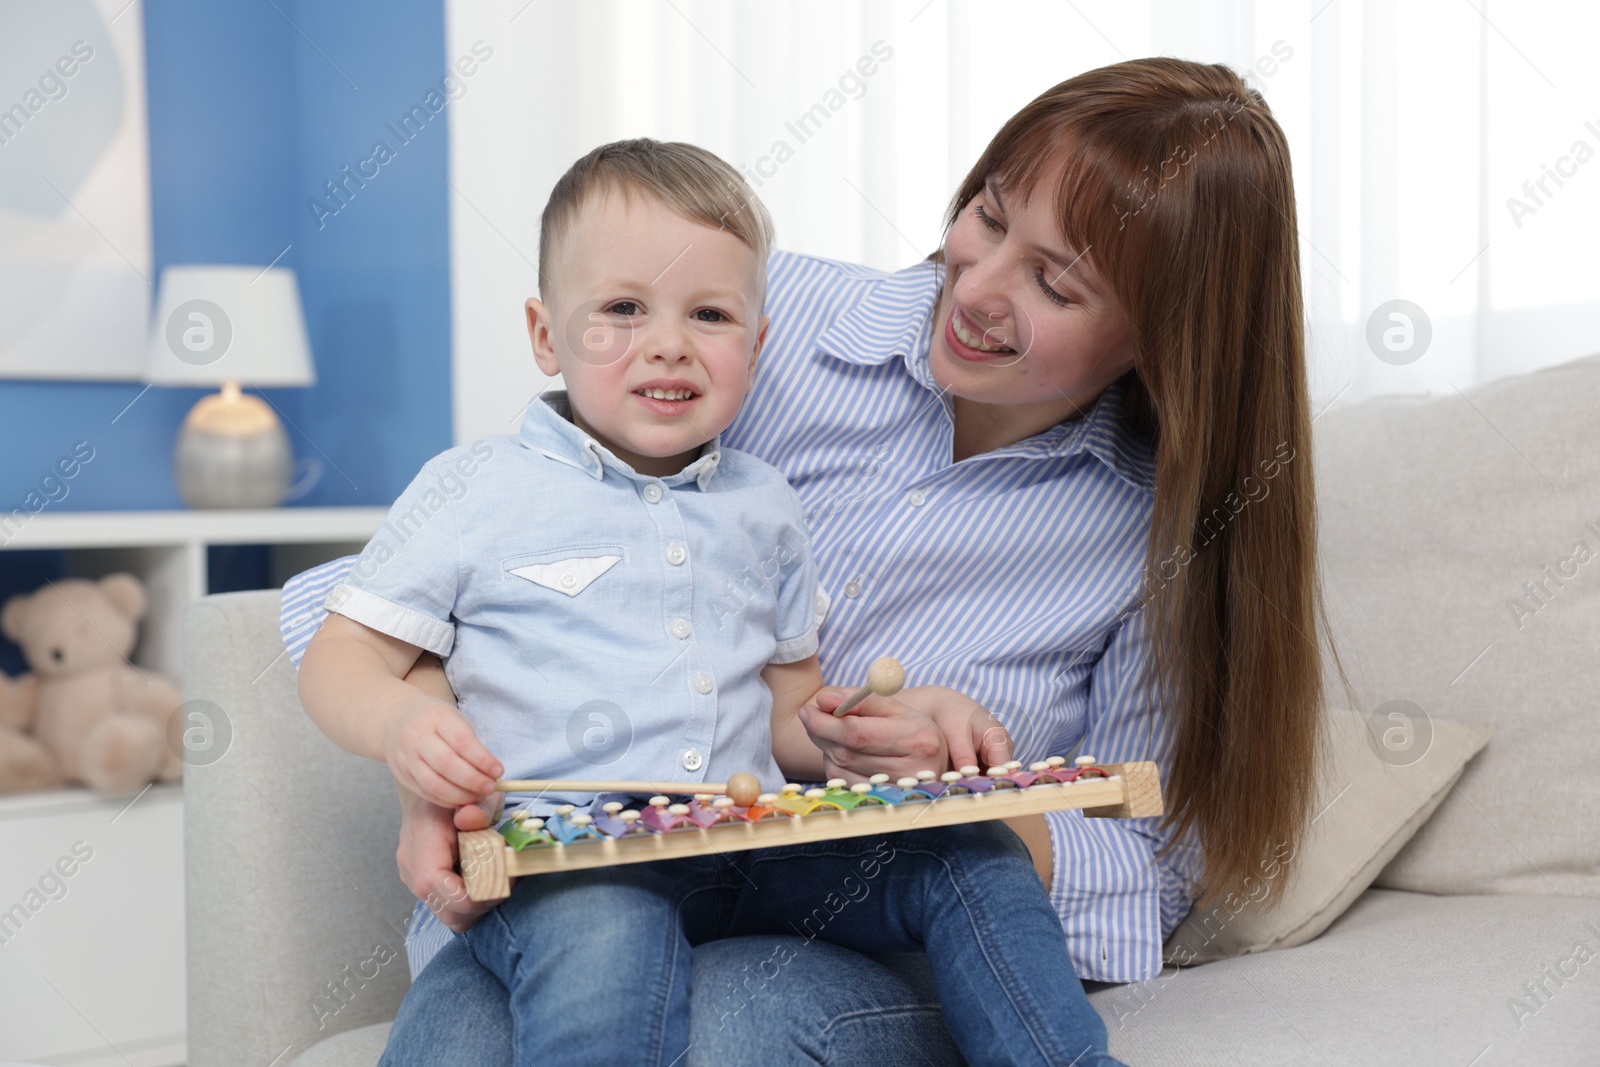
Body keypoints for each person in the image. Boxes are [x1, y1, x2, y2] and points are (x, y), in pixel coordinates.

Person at [280, 57, 1336, 1064]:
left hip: (827, 900)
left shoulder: (1158, 531)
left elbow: (1140, 880)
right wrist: (443, 776)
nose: (975, 288)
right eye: (988, 216)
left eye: (1055, 283)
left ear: (1161, 336)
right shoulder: (721, 308)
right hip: (580, 862)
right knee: (487, 1014)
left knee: (744, 1004)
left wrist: (942, 785)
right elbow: (430, 590)